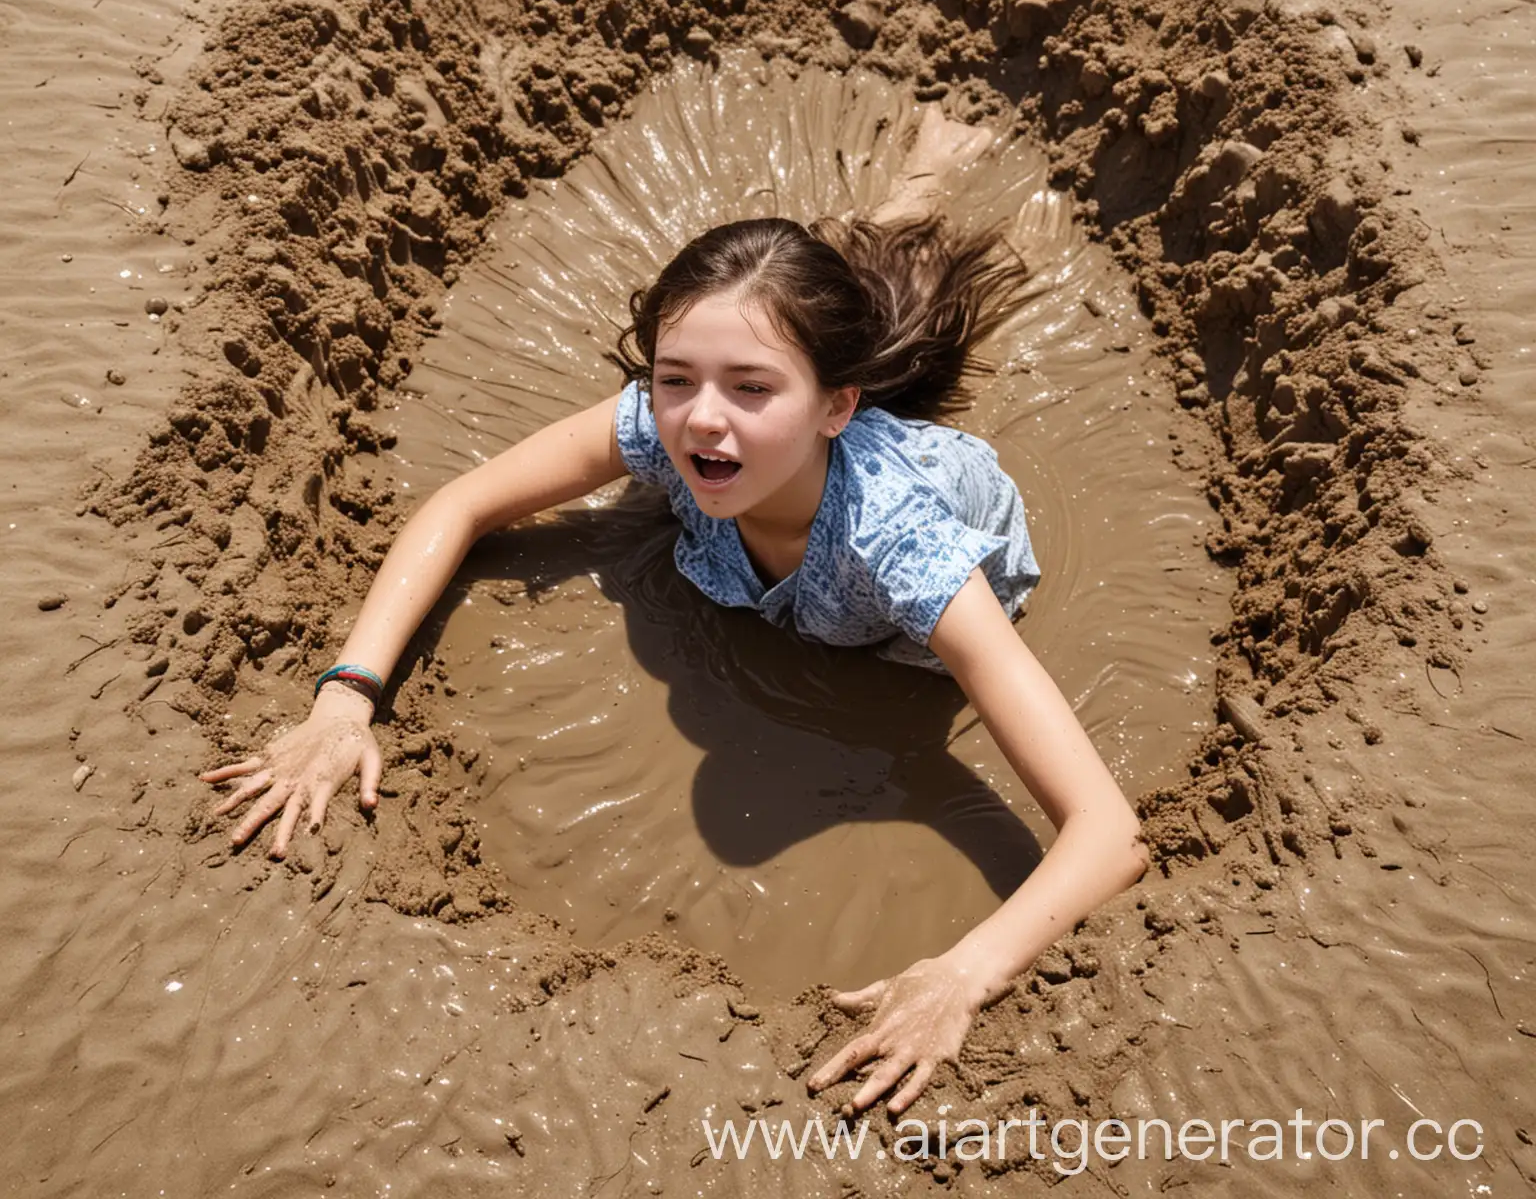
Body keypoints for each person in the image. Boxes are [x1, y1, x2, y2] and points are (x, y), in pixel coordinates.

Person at [199, 105, 1150, 1117]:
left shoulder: (905, 548)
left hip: (918, 574)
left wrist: (965, 972)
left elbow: (1107, 833)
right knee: (809, 303)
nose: (702, 417)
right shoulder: (668, 432)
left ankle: (968, 215)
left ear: (836, 406)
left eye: (749, 388)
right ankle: (912, 194)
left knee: (856, 318)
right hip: (806, 463)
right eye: (674, 378)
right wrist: (346, 698)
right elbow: (464, 504)